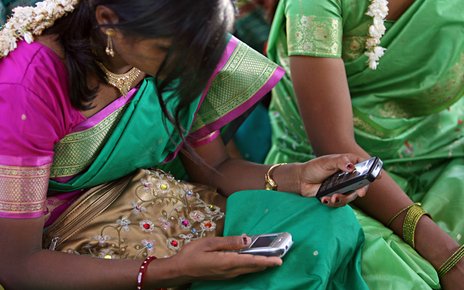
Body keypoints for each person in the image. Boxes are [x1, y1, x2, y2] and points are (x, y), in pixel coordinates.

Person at [0, 0, 373, 289]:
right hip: (72, 242)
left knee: (326, 221)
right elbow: (19, 265)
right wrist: (169, 270)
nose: (190, 69)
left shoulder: (185, 44)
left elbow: (218, 169)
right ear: (107, 19)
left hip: (161, 202)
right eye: (170, 52)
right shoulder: (29, 82)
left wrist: (296, 175)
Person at [265, 0, 464, 289]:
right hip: (334, 185)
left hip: (444, 153)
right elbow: (337, 149)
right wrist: (447, 255)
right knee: (397, 279)